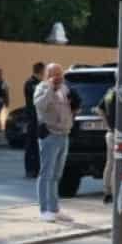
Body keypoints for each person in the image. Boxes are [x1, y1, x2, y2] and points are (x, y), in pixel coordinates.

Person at [33, 63, 74, 222]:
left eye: (61, 74)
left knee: (56, 175)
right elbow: (40, 105)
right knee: (46, 174)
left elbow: (68, 107)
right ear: (48, 76)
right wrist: (50, 88)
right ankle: (44, 210)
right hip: (50, 136)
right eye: (55, 74)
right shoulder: (41, 88)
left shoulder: (64, 89)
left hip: (64, 135)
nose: (59, 77)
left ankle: (55, 209)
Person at [23, 62, 44, 179]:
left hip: (39, 118)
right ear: (40, 71)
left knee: (38, 145)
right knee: (31, 144)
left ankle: (36, 168)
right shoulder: (30, 83)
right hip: (33, 118)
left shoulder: (40, 83)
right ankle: (30, 169)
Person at [98, 84, 117, 204]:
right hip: (119, 134)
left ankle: (107, 191)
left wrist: (107, 125)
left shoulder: (110, 91)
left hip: (110, 133)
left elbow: (99, 108)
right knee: (117, 164)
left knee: (110, 163)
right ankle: (116, 192)